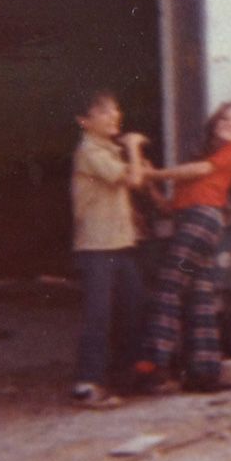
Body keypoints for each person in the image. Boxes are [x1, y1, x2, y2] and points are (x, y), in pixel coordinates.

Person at [135, 101, 231, 392]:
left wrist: (154, 174)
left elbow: (199, 170)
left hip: (199, 224)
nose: (229, 124)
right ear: (215, 122)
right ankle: (204, 372)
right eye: (225, 118)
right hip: (194, 229)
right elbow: (167, 207)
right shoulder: (202, 158)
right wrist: (150, 183)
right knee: (197, 288)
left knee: (169, 285)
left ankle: (153, 367)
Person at [70, 89, 148, 408]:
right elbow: (133, 181)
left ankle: (124, 373)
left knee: (133, 306)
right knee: (98, 315)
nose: (114, 116)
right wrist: (133, 147)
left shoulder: (107, 149)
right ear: (84, 122)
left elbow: (132, 180)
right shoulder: (90, 150)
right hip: (98, 246)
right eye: (103, 112)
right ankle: (87, 383)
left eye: (115, 110)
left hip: (118, 243)